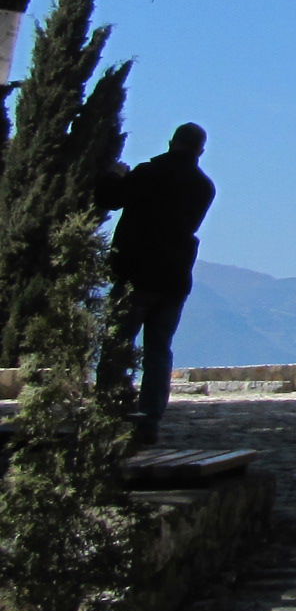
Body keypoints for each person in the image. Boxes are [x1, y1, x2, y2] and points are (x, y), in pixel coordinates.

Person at [103, 124, 217, 445]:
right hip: (173, 279)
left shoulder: (148, 173)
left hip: (134, 274)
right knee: (158, 351)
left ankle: (110, 412)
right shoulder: (203, 187)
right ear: (200, 150)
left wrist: (114, 175)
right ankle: (149, 419)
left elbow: (111, 199)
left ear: (172, 143)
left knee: (117, 346)